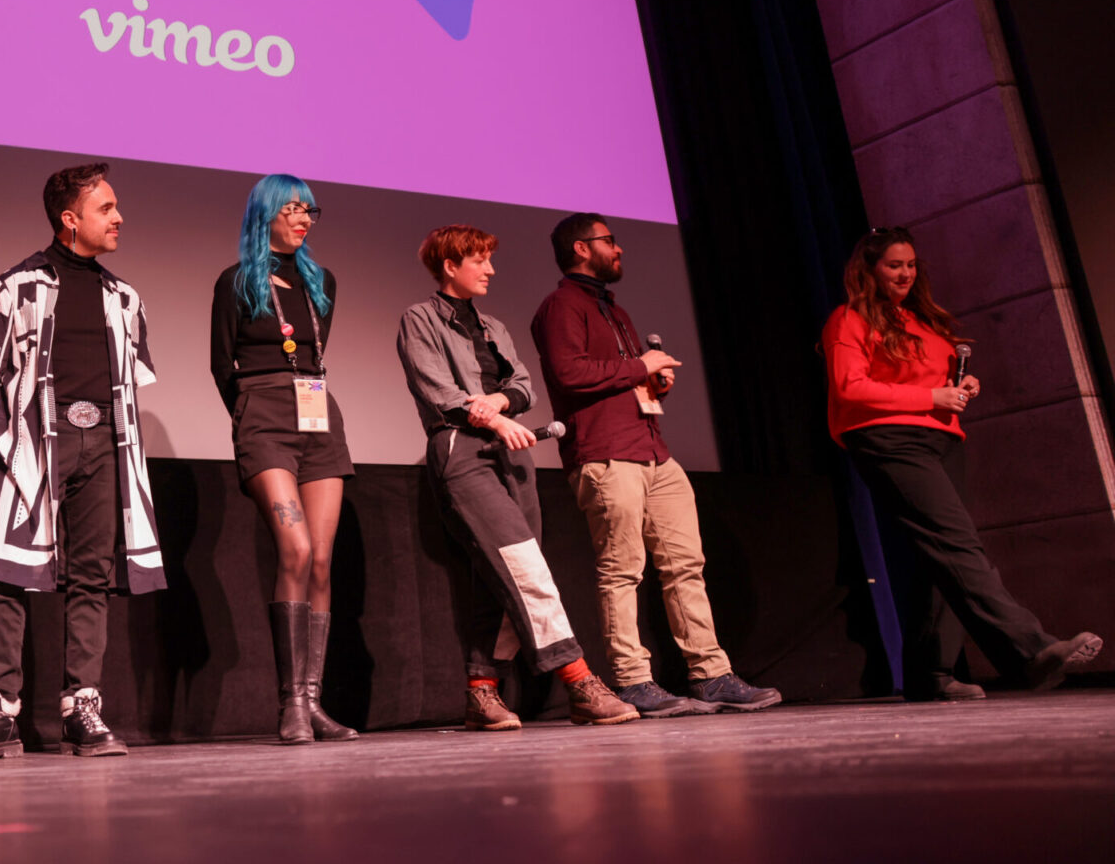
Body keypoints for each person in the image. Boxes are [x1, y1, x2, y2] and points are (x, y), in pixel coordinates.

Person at [0, 163, 165, 761]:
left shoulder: (125, 298)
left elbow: (132, 381)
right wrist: (20, 432)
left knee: (92, 575)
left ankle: (81, 709)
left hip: (107, 443)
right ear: (70, 219)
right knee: (9, 570)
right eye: (106, 208)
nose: (119, 218)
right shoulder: (14, 287)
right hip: (39, 439)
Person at [823, 227, 1101, 699]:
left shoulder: (921, 321)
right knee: (957, 545)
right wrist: (931, 396)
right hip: (888, 437)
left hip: (943, 438)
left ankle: (930, 674)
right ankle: (1030, 651)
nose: (906, 274)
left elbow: (936, 377)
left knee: (939, 552)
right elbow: (851, 387)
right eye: (894, 265)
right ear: (870, 270)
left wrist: (962, 385)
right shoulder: (847, 320)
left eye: (911, 265)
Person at [530, 213, 781, 716]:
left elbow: (617, 376)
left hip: (653, 451)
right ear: (581, 248)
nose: (619, 247)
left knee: (686, 566)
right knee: (622, 570)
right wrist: (640, 366)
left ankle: (711, 674)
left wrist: (650, 383)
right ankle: (632, 681)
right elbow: (569, 373)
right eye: (609, 240)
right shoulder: (560, 306)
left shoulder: (615, 310)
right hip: (605, 454)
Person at [397, 224, 636, 731]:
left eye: (489, 259)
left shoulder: (494, 326)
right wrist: (492, 418)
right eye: (479, 261)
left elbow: (524, 385)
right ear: (450, 266)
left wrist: (501, 403)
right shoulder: (420, 319)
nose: (491, 270)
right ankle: (578, 680)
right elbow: (439, 391)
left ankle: (482, 691)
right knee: (523, 566)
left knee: (502, 574)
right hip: (463, 448)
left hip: (512, 452)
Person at [208, 175, 357, 743]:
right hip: (263, 416)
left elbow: (315, 353)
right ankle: (290, 703)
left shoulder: (324, 281)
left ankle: (313, 702)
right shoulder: (235, 281)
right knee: (293, 548)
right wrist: (250, 416)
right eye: (292, 208)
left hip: (318, 415)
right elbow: (222, 364)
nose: (303, 219)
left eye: (309, 210)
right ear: (265, 213)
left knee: (320, 558)